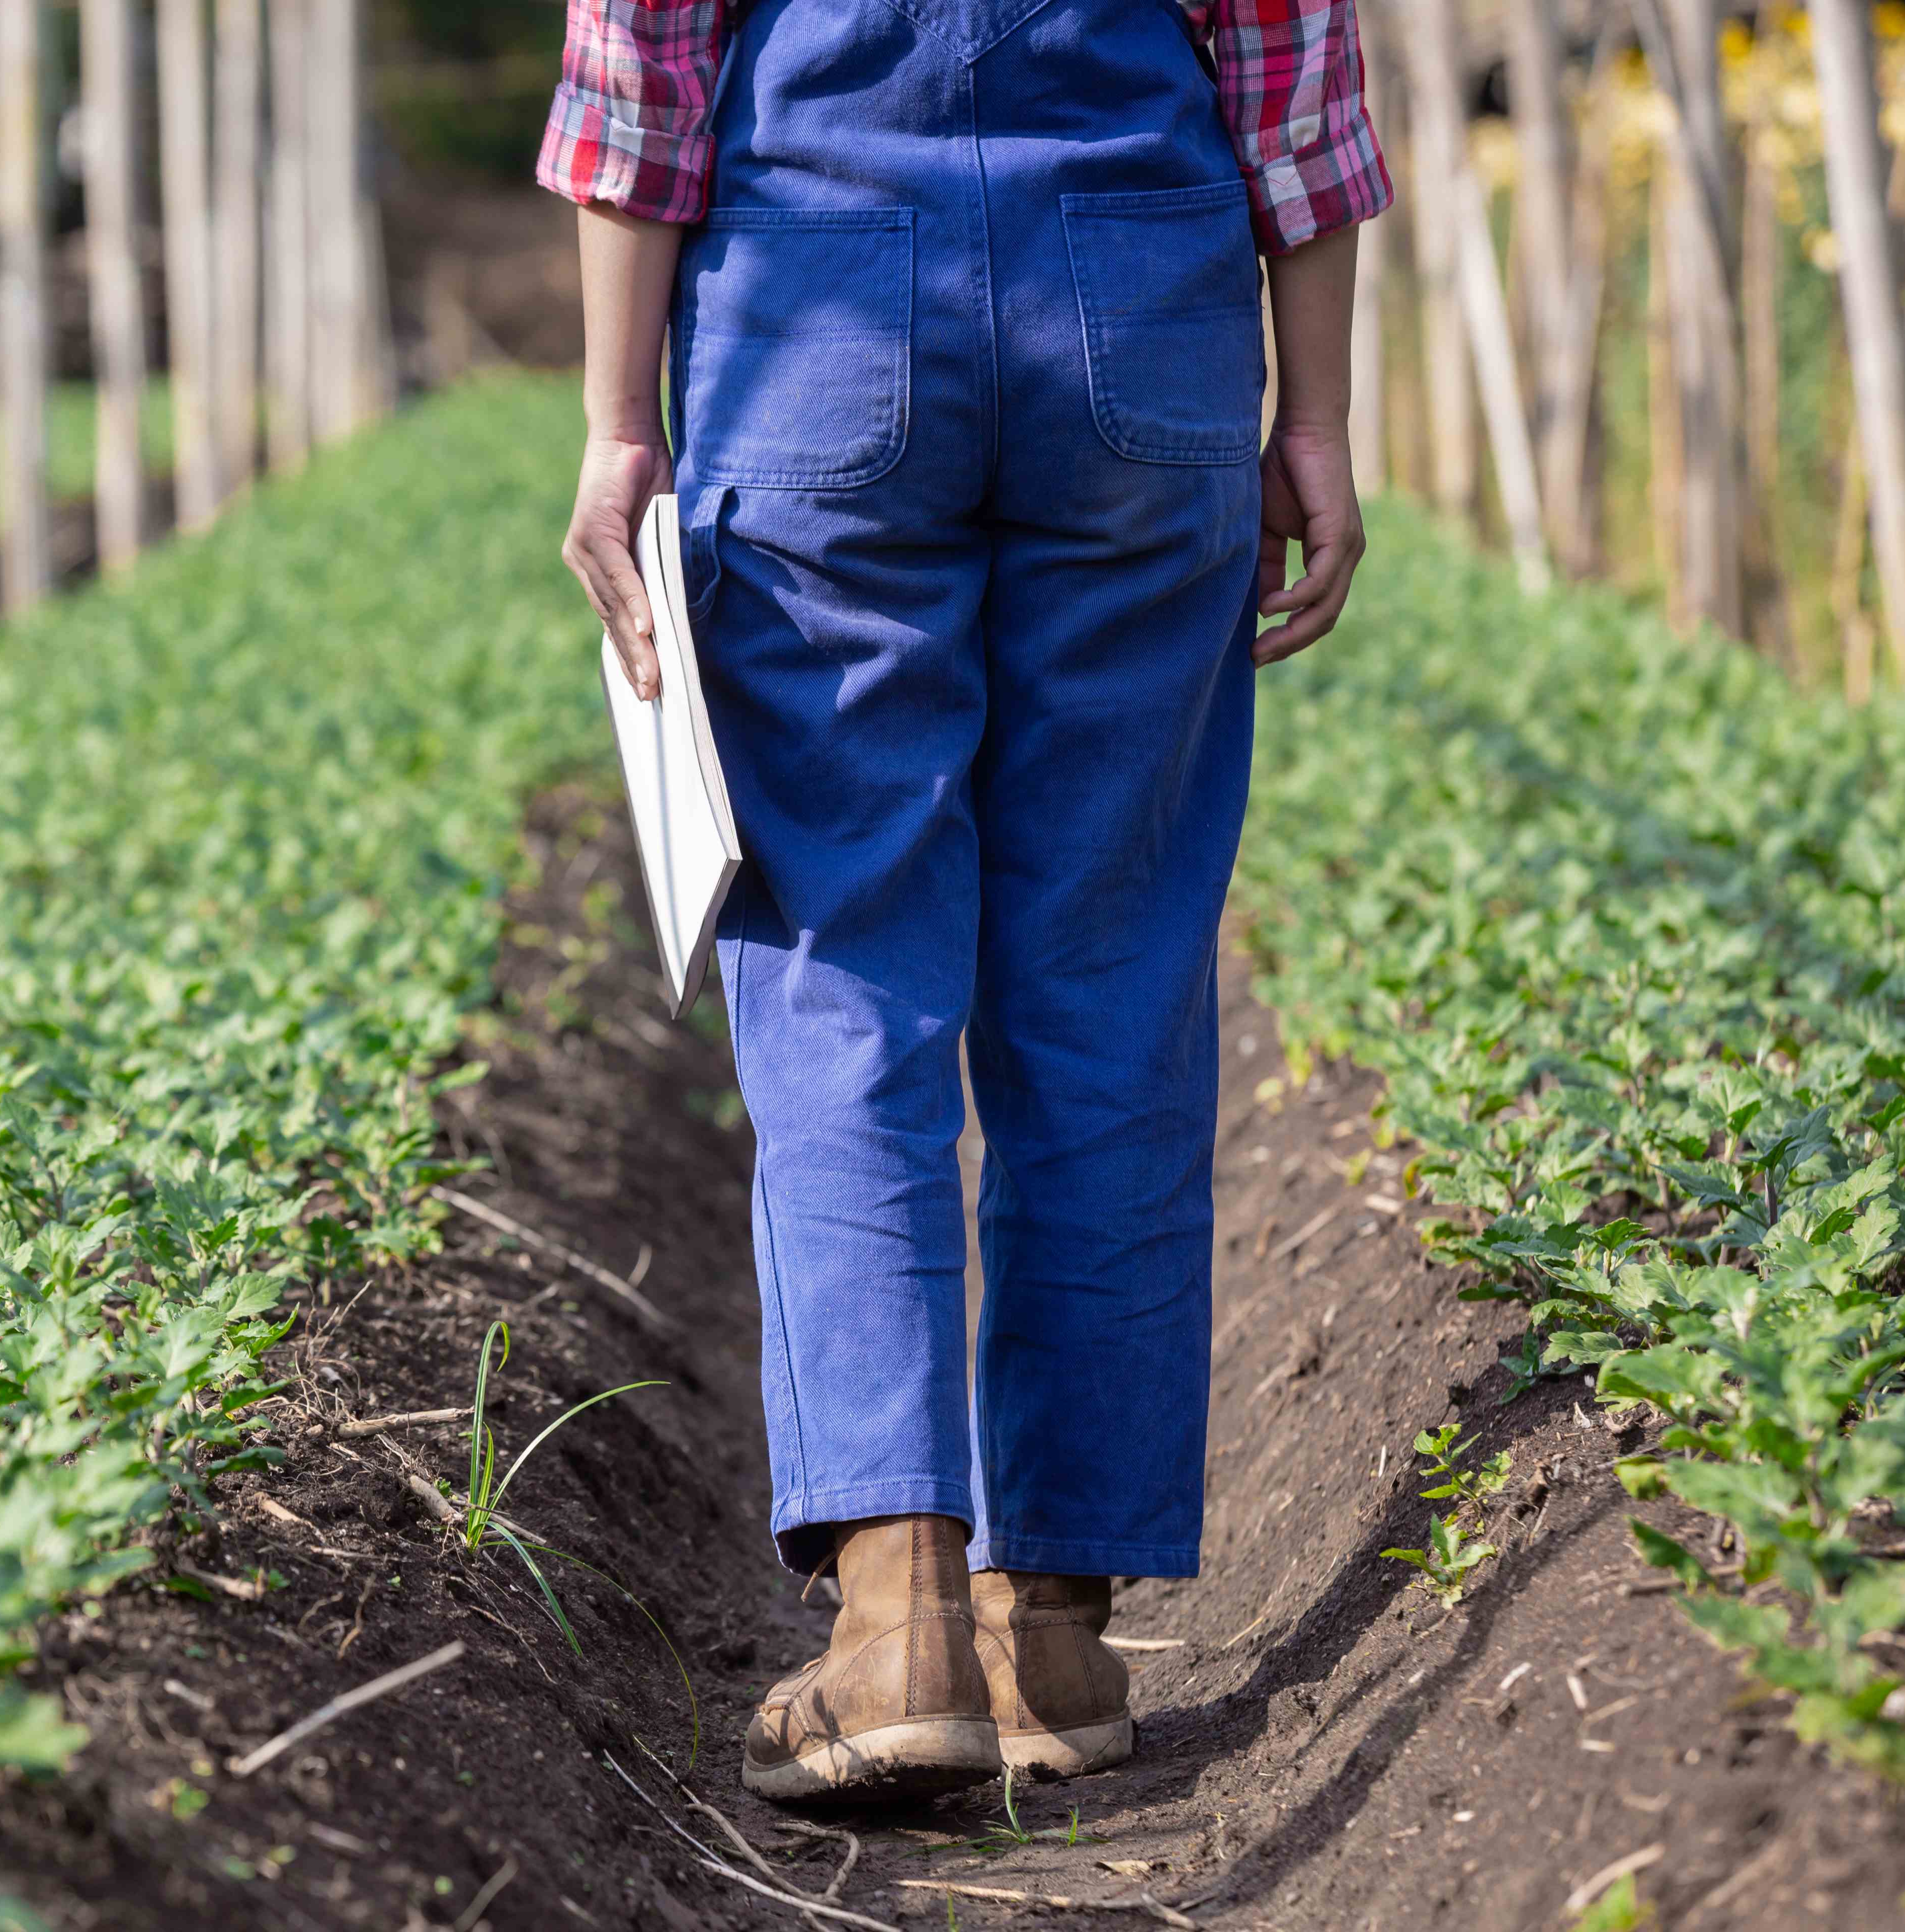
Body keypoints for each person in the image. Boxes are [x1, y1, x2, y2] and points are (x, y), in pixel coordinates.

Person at [542, 0, 1389, 1803]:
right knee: (1110, 966)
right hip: (1141, 306)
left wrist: (622, 423)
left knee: (848, 962)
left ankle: (895, 1622)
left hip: (816, 308)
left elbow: (643, 61)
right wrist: (1312, 409)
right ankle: (1055, 1640)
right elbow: (1292, 62)